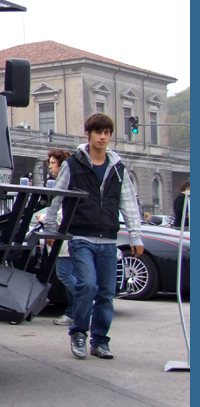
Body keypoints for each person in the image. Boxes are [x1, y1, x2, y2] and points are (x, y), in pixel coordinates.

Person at [43, 113, 143, 360]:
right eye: (98, 132)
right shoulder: (73, 164)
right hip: (81, 237)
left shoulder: (118, 168)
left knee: (106, 294)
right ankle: (79, 333)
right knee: (87, 285)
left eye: (107, 132)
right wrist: (50, 228)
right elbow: (56, 197)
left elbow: (128, 203)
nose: (103, 136)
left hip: (109, 239)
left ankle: (100, 341)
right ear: (88, 134)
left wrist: (136, 236)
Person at [38, 148, 75, 327]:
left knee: (65, 274)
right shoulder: (62, 182)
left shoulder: (66, 183)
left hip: (64, 242)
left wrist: (44, 218)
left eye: (53, 163)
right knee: (67, 275)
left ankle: (84, 303)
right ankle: (72, 311)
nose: (50, 167)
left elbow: (62, 212)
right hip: (63, 240)